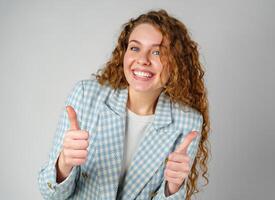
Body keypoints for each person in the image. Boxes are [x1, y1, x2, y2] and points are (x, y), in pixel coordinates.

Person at [38, 9, 210, 200]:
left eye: (157, 52)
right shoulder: (86, 96)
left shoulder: (187, 122)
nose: (142, 60)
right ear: (124, 53)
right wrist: (64, 165)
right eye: (135, 48)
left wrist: (173, 188)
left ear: (176, 63)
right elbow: (49, 193)